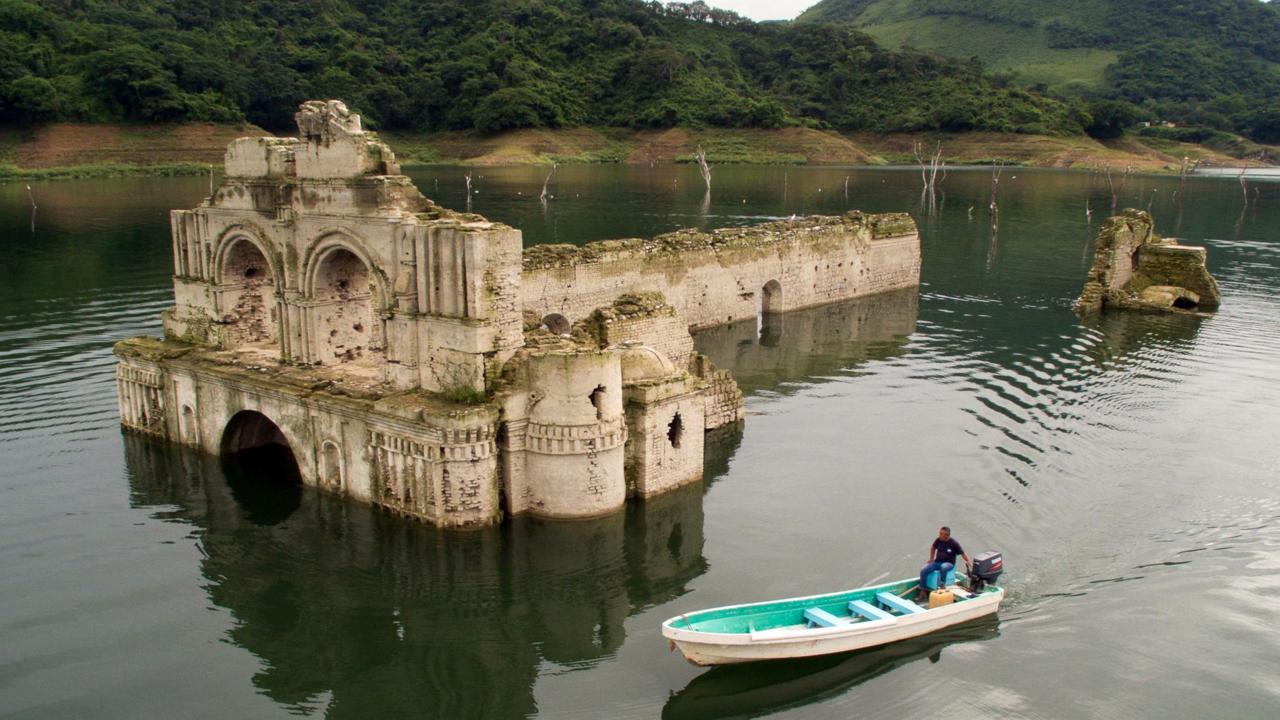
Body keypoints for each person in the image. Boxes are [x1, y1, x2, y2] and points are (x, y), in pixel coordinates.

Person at [919, 526, 971, 599]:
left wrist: (968, 562)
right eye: (939, 533)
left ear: (947, 535)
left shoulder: (954, 543)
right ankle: (922, 589)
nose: (939, 535)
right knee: (924, 570)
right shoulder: (938, 540)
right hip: (937, 562)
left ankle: (942, 584)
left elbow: (962, 553)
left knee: (943, 567)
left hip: (949, 564)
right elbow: (933, 547)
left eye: (941, 534)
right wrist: (931, 558)